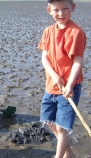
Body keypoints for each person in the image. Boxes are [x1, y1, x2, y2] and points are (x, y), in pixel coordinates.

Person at [38, 0, 86, 158]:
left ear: (73, 8)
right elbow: (44, 58)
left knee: (62, 127)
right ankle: (69, 154)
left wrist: (70, 83)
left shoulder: (76, 32)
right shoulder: (48, 31)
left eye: (65, 9)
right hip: (51, 85)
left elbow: (78, 61)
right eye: (56, 10)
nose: (61, 13)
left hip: (68, 88)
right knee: (50, 121)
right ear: (49, 10)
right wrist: (55, 75)